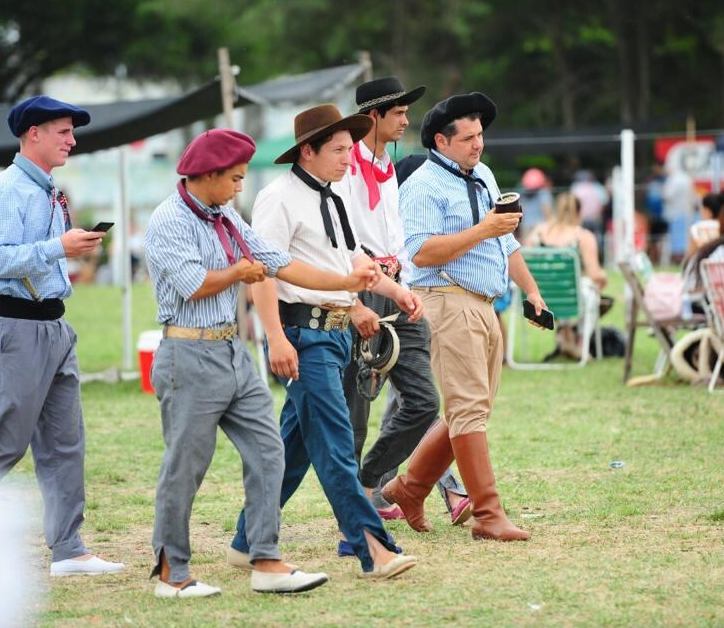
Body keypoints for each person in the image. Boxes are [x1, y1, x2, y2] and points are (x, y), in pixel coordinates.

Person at [144, 129, 376, 597]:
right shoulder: (168, 220)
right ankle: (172, 572)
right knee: (186, 466)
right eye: (232, 178)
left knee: (270, 452)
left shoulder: (225, 216)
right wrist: (238, 273)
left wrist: (343, 281)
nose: (238, 187)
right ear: (206, 175)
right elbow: (194, 284)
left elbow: (279, 262)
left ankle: (265, 559)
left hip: (233, 352)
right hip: (188, 353)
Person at [228, 104, 420, 580]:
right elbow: (263, 272)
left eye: (349, 149)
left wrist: (394, 291)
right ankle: (373, 548)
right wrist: (275, 338)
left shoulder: (334, 196)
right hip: (303, 335)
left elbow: (352, 260)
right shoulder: (278, 198)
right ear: (307, 151)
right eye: (337, 150)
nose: (348, 159)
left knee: (291, 450)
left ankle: (245, 541)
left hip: (336, 336)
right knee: (335, 446)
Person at [0, 96, 123, 577]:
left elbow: (34, 257)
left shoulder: (47, 190)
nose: (72, 139)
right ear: (33, 134)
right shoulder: (6, 190)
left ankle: (68, 550)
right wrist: (58, 247)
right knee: (3, 443)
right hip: (17, 327)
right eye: (64, 131)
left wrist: (65, 249)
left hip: (54, 326)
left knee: (65, 443)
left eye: (71, 131)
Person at [386, 92, 547, 541]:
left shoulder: (484, 176)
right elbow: (417, 251)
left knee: (472, 409)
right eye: (469, 138)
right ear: (441, 140)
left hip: (484, 304)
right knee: (468, 410)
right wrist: (484, 229)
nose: (479, 144)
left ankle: (410, 486)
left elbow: (505, 242)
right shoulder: (421, 186)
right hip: (445, 300)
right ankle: (487, 515)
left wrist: (531, 291)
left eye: (480, 135)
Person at [340, 76, 471, 533]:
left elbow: (394, 234)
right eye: (398, 112)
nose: (406, 119)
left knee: (422, 400)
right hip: (359, 286)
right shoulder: (346, 166)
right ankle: (353, 510)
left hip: (397, 285)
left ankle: (369, 479)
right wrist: (355, 298)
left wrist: (404, 284)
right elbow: (340, 239)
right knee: (355, 406)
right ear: (373, 116)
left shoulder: (389, 166)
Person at [525, 192, 607, 290]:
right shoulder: (583, 237)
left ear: (556, 210)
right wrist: (603, 276)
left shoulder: (537, 232)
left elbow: (524, 266)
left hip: (539, 296)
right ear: (579, 213)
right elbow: (595, 275)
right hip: (571, 297)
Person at [687, 189, 724, 257]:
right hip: (723, 266)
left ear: (708, 211)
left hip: (701, 265)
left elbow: (691, 255)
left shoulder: (697, 228)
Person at [517, 168, 553, 237]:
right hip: (541, 226)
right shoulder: (544, 192)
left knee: (527, 246)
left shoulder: (522, 192)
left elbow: (521, 210)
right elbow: (547, 210)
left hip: (526, 225)